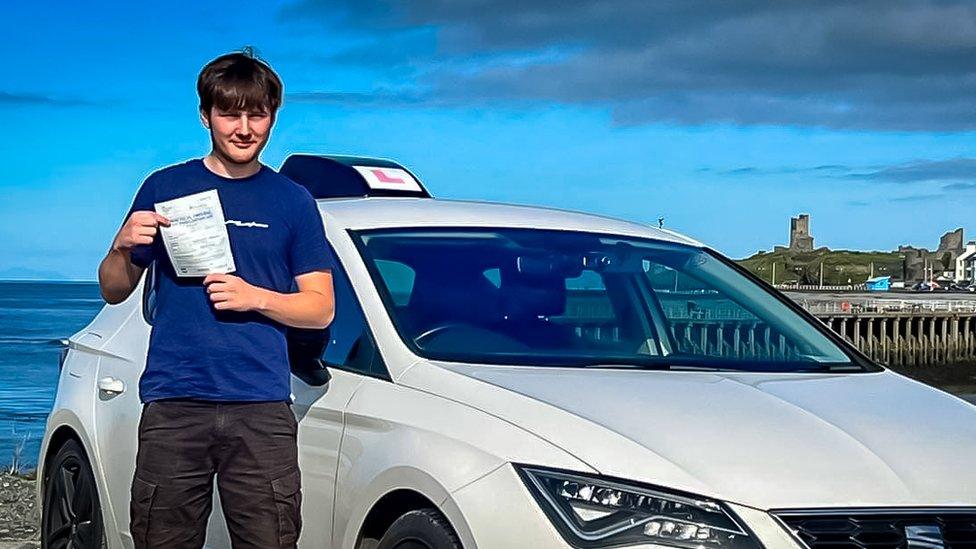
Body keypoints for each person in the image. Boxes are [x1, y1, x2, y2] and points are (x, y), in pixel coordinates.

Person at [97, 49, 334, 548]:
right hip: (174, 404)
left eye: (258, 114)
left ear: (273, 116)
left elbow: (320, 308)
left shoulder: (293, 200)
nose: (244, 128)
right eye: (230, 113)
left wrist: (255, 297)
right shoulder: (164, 187)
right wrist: (121, 244)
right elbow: (114, 288)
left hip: (262, 407)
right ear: (206, 115)